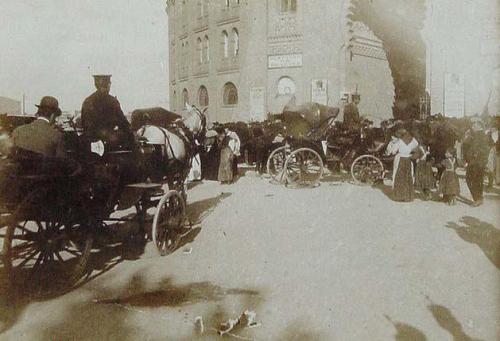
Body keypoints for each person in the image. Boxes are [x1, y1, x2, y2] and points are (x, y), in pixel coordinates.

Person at [81, 75, 134, 150]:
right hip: (108, 139)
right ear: (108, 85)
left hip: (90, 140)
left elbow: (84, 124)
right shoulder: (112, 101)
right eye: (109, 83)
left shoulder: (87, 101)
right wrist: (132, 131)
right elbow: (122, 122)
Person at [463, 120, 491, 206]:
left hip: (476, 162)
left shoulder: (480, 135)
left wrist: (476, 157)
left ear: (479, 126)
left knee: (472, 179)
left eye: (474, 125)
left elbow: (483, 149)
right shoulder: (477, 135)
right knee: (476, 179)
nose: (472, 126)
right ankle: (479, 198)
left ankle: (478, 198)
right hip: (476, 161)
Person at [389, 128, 419, 202]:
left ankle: (399, 196)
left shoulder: (399, 141)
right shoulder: (413, 141)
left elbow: (393, 151)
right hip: (408, 160)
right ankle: (407, 196)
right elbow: (417, 147)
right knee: (408, 177)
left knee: (399, 177)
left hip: (400, 159)